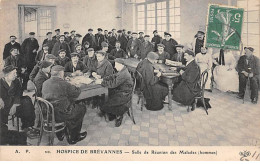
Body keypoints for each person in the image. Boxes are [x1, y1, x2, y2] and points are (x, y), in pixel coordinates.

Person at [42, 65, 87, 144]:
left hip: (49, 113)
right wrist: (73, 84)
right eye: (63, 73)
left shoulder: (45, 83)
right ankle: (74, 137)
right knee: (81, 108)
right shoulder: (64, 84)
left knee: (68, 104)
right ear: (60, 74)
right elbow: (76, 93)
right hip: (61, 114)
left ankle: (60, 133)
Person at [96, 58, 133, 127]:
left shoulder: (123, 74)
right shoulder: (123, 70)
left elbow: (113, 84)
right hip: (120, 90)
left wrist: (101, 82)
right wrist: (103, 78)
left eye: (116, 65)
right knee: (105, 99)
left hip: (124, 94)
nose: (115, 67)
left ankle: (119, 115)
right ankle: (112, 114)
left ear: (121, 65)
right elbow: (113, 76)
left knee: (105, 103)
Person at [0, 66, 36, 132]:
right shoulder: (1, 82)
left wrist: (15, 104)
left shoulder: (16, 81)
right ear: (7, 75)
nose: (16, 75)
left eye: (16, 73)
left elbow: (19, 93)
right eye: (13, 73)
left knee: (27, 100)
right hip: (4, 105)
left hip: (14, 102)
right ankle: (3, 129)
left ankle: (27, 126)